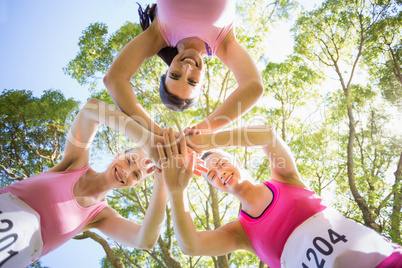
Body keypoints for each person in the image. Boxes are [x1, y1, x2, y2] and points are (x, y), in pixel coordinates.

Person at [0, 98, 206, 267]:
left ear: (135, 184)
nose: (126, 172)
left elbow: (145, 240)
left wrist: (162, 178)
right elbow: (90, 109)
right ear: (118, 154)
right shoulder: (74, 162)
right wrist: (150, 141)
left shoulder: (100, 216)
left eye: (136, 175)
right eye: (129, 161)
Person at [157, 125, 402, 268]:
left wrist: (201, 142)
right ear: (215, 188)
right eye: (211, 176)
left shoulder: (285, 178)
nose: (219, 172)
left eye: (221, 162)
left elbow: (266, 134)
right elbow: (191, 246)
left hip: (385, 260)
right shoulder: (241, 233)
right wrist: (178, 192)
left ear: (238, 160)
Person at [103, 0, 263, 135]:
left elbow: (114, 79)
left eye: (175, 75)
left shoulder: (159, 34)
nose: (187, 68)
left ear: (167, 70)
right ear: (203, 83)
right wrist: (202, 130)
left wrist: (158, 133)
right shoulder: (223, 43)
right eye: (192, 81)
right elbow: (253, 87)